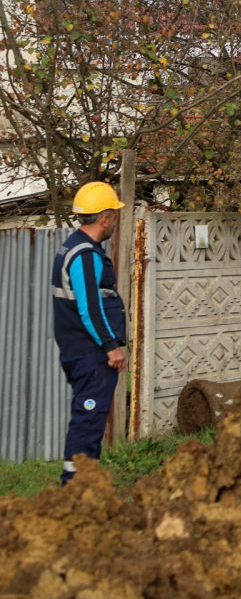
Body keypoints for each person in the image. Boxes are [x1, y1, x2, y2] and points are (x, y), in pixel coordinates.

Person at [52, 181, 127, 485]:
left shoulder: (72, 245)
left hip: (80, 350)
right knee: (88, 417)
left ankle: (86, 481)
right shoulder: (84, 255)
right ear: (105, 218)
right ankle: (75, 487)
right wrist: (112, 347)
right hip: (90, 353)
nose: (114, 223)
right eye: (114, 217)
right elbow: (89, 309)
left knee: (89, 417)